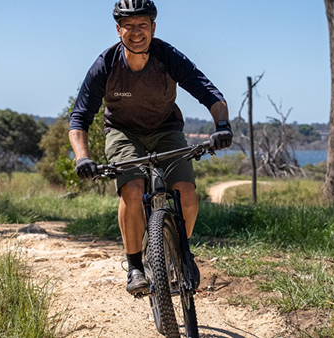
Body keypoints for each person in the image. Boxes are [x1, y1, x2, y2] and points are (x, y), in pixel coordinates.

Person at [68, 0, 233, 296]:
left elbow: (208, 92)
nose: (136, 32)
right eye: (128, 25)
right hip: (123, 133)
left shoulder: (167, 56)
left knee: (186, 193)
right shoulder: (105, 65)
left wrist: (221, 126)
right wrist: (82, 157)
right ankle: (134, 267)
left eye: (142, 24)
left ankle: (182, 253)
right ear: (118, 29)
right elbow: (79, 117)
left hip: (166, 131)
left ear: (153, 28)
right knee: (132, 190)